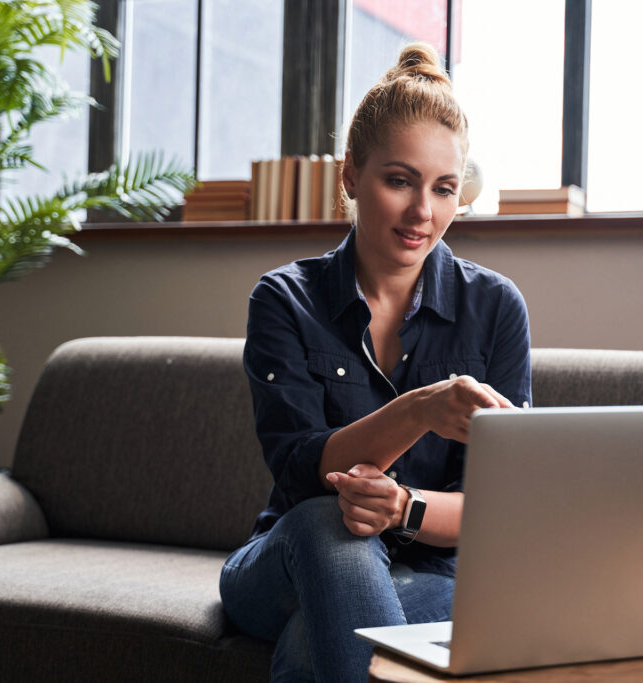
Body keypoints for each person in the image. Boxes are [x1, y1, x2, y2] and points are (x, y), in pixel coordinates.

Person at [219, 42, 531, 683]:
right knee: (329, 525)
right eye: (399, 180)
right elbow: (305, 474)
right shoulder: (284, 300)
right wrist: (420, 409)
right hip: (286, 559)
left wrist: (402, 507)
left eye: (444, 189)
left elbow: (500, 506)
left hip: (433, 573)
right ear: (351, 174)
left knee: (316, 640)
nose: (424, 212)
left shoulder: (495, 308)